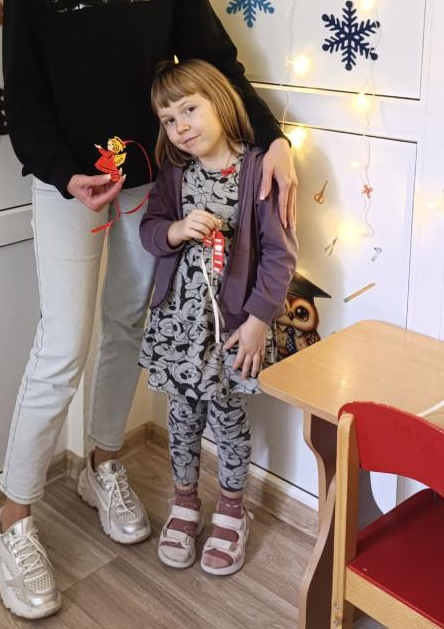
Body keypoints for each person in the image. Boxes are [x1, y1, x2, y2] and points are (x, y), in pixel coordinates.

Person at [0, 0, 297, 619]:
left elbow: (217, 62)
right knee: (63, 345)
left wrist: (274, 139)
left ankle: (102, 462)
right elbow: (25, 92)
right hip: (68, 184)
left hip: (153, 187)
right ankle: (10, 520)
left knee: (127, 325)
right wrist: (63, 172)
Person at [138, 58, 298, 576]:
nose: (180, 127)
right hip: (178, 328)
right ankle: (185, 504)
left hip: (230, 331)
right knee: (182, 418)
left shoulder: (257, 169)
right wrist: (176, 229)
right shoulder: (174, 173)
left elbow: (279, 257)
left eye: (190, 110)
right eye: (168, 119)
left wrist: (257, 322)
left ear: (221, 102)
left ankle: (232, 510)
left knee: (228, 419)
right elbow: (150, 229)